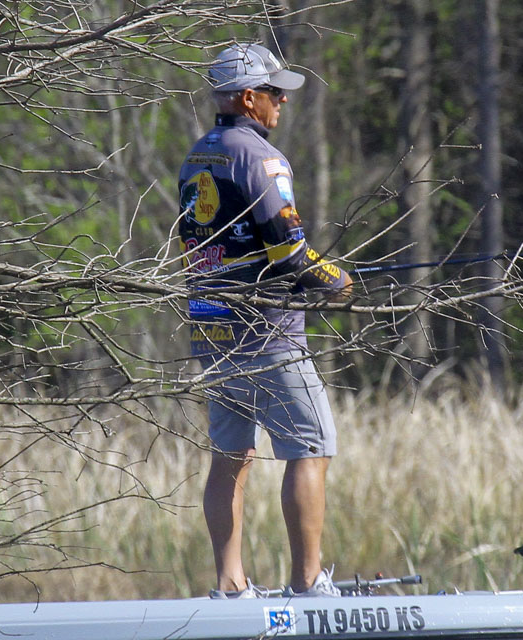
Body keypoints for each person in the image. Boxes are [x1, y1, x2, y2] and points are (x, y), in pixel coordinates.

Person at [177, 43, 352, 599]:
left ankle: (230, 585)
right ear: (248, 97)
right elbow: (289, 251)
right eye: (275, 92)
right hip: (267, 333)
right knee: (311, 446)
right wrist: (337, 281)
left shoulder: (197, 156)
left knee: (231, 456)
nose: (283, 101)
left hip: (211, 327)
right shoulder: (262, 158)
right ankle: (307, 583)